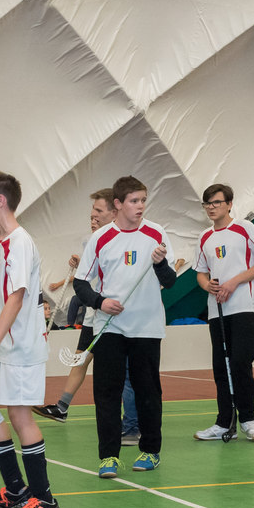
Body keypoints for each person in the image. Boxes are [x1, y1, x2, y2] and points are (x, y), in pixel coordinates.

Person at [71, 176, 174, 476]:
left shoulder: (156, 233)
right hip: (109, 327)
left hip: (147, 327)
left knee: (147, 392)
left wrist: (160, 264)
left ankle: (150, 451)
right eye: (134, 201)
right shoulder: (100, 238)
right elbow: (80, 283)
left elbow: (170, 281)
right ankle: (108, 457)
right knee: (106, 392)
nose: (140, 206)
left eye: (143, 200)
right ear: (118, 204)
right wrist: (100, 302)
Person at [0, 171, 58, 508]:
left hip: (20, 346)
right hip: (6, 345)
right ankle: (18, 489)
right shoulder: (0, 241)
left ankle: (45, 500)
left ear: (0, 201)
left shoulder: (19, 242)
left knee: (20, 416)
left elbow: (18, 298)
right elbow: (8, 293)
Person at [193, 183, 254, 443]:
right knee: (221, 366)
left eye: (216, 202)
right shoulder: (204, 237)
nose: (211, 207)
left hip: (244, 307)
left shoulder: (244, 228)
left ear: (229, 204)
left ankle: (248, 420)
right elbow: (201, 273)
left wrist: (234, 282)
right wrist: (207, 285)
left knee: (240, 363)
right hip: (216, 311)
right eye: (207, 203)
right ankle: (224, 422)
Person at [35, 189, 115, 423]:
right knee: (80, 359)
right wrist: (80, 264)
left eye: (98, 213)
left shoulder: (118, 240)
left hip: (111, 316)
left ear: (114, 211)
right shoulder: (90, 241)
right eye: (91, 215)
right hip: (93, 314)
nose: (93, 219)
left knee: (110, 369)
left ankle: (128, 419)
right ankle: (62, 407)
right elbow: (91, 274)